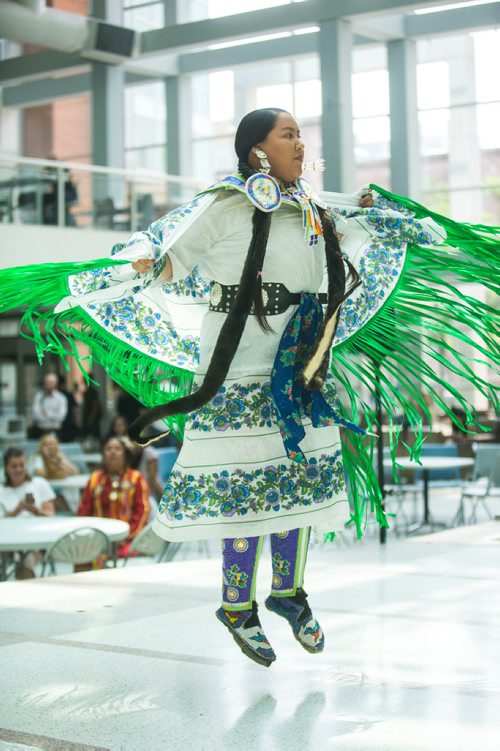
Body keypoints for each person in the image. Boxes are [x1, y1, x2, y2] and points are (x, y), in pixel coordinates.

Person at [0, 108, 497, 665]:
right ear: (257, 151)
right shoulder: (227, 204)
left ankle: (287, 594)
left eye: (301, 135)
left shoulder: (315, 210)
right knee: (242, 487)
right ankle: (237, 604)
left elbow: (406, 232)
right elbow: (171, 257)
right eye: (288, 135)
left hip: (300, 364)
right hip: (235, 367)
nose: (301, 145)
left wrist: (383, 210)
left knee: (299, 481)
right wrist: (138, 265)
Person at [78, 437, 150, 558]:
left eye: (117, 449)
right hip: (98, 539)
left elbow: (143, 513)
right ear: (104, 455)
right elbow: (84, 512)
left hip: (128, 539)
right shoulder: (95, 479)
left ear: (125, 454)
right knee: (81, 556)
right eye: (108, 449)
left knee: (123, 554)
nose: (112, 452)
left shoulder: (136, 478)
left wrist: (125, 536)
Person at [1, 447, 56, 578]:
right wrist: (17, 510)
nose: (19, 470)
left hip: (38, 542)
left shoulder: (40, 484)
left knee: (25, 561)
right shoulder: (2, 492)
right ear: (6, 468)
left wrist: (35, 510)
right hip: (9, 542)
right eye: (14, 466)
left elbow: (50, 514)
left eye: (21, 465)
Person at [108, 415, 163, 501]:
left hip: (148, 494)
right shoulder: (127, 454)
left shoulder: (149, 453)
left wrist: (163, 501)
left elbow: (153, 481)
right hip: (129, 492)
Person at [33, 432, 80, 513]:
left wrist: (60, 462)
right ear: (42, 447)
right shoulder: (38, 458)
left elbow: (75, 471)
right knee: (59, 499)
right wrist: (48, 458)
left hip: (62, 491)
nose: (51, 447)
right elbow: (44, 474)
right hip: (46, 494)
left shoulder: (60, 456)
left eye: (54, 444)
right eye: (48, 444)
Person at [30, 372, 67, 439]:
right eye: (46, 383)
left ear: (55, 384)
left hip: (56, 431)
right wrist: (53, 415)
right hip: (41, 431)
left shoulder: (61, 398)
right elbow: (36, 415)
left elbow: (60, 417)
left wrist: (46, 414)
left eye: (50, 383)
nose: (48, 385)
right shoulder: (38, 397)